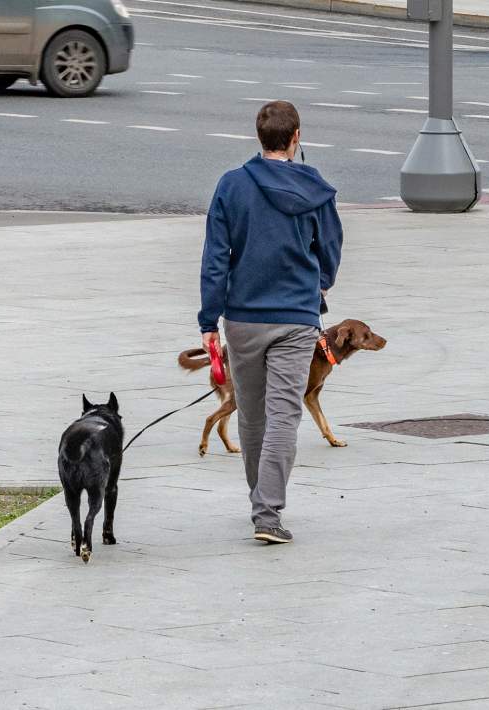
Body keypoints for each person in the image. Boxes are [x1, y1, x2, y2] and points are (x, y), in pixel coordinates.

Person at [198, 100, 343, 545]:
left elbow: (216, 256)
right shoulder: (316, 191)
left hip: (242, 318)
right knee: (285, 414)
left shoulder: (232, 186)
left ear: (259, 138)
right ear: (296, 137)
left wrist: (209, 319)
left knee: (253, 415)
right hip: (297, 318)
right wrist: (317, 283)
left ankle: (259, 502)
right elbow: (331, 253)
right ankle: (268, 512)